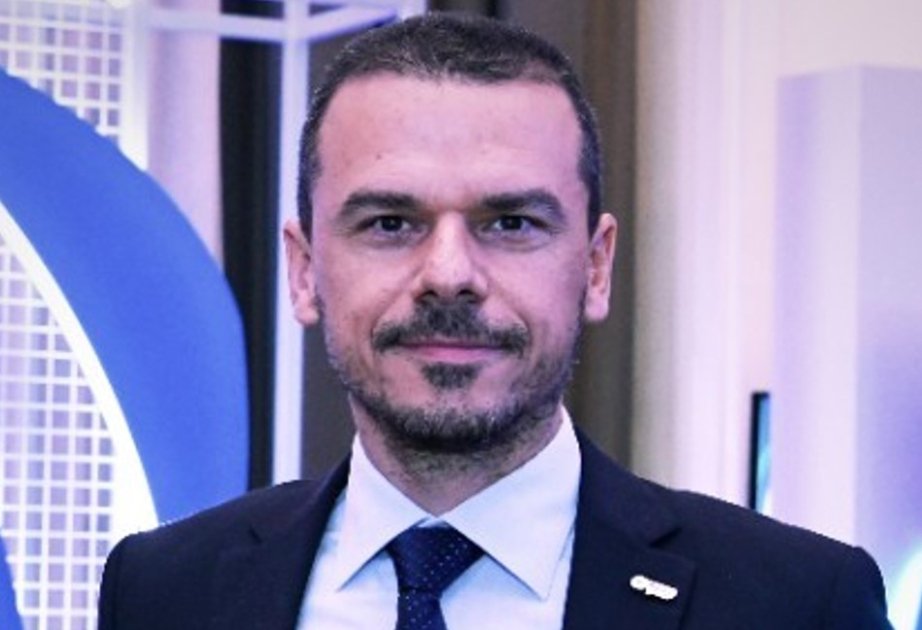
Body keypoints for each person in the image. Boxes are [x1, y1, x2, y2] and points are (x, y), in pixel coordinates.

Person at [97, 13, 891, 629]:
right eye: (389, 223)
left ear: (596, 267)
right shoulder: (165, 590)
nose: (449, 275)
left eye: (510, 223)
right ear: (305, 271)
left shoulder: (796, 602)